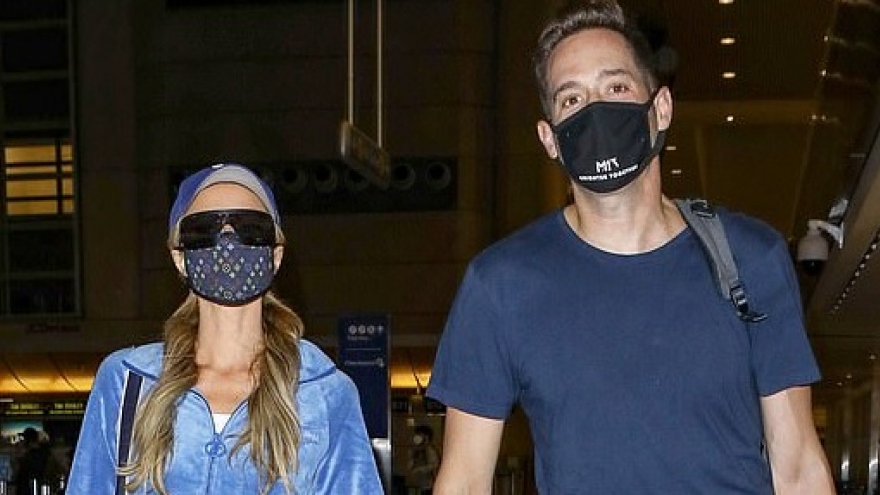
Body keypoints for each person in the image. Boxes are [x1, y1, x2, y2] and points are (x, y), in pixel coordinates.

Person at [426, 1, 836, 493]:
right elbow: (464, 481)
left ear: (660, 110)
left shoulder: (750, 259)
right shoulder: (500, 285)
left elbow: (798, 468)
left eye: (616, 87)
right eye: (571, 99)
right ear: (549, 139)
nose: (595, 109)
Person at [67, 163, 383, 494]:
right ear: (179, 257)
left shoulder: (325, 392)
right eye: (204, 230)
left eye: (250, 228)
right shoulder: (127, 381)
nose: (228, 242)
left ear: (275, 255)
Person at [408, 425, 440, 495]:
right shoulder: (416, 450)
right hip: (419, 485)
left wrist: (419, 469)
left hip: (429, 485)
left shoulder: (430, 450)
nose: (418, 437)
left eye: (420, 435)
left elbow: (434, 465)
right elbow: (410, 466)